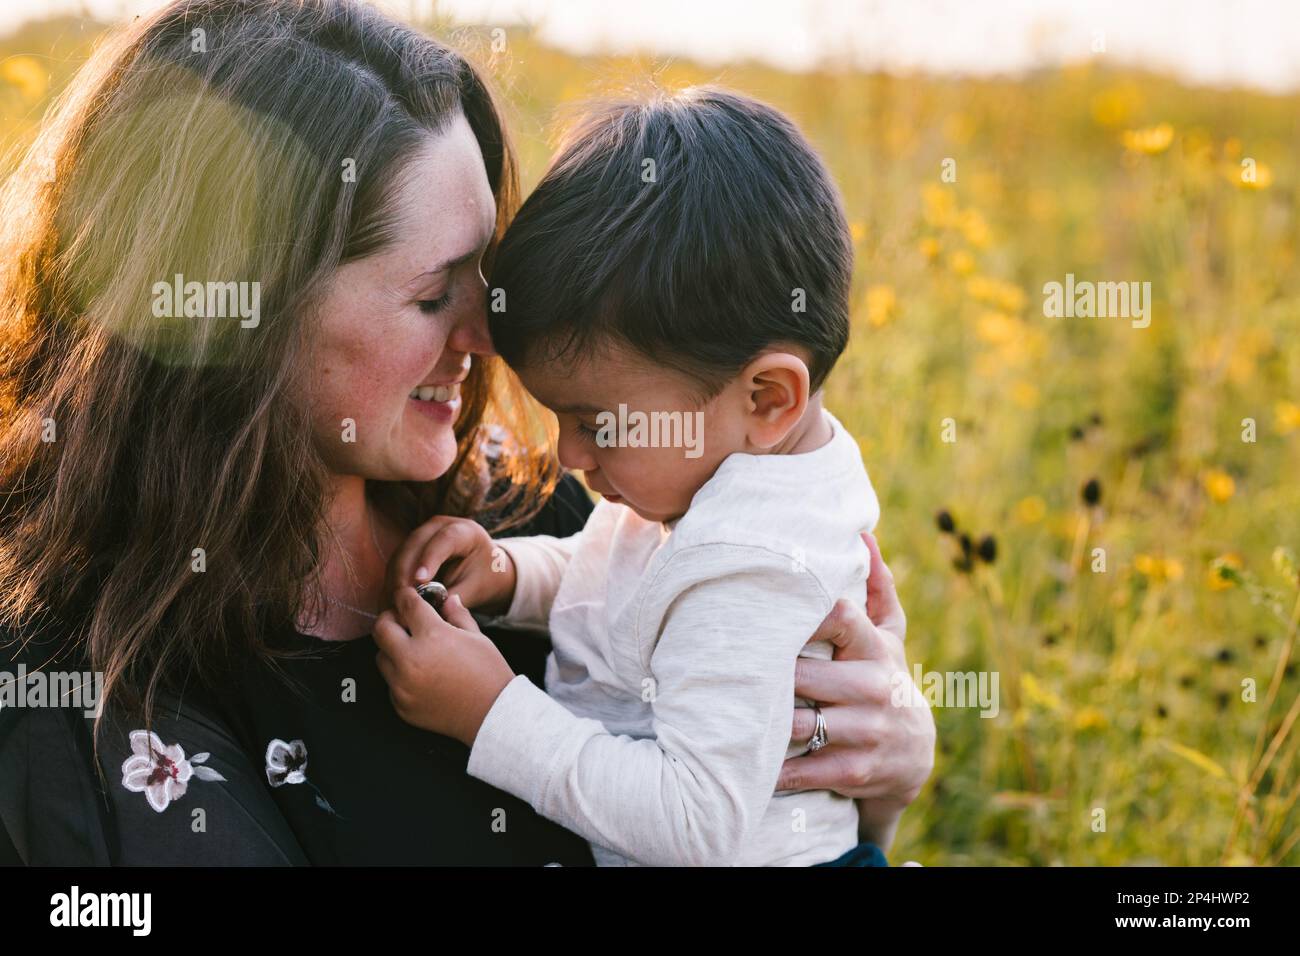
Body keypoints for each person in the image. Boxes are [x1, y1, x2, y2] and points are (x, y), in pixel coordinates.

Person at [0, 0, 934, 865]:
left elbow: (751, 805)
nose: (492, 338)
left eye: (486, 276)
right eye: (427, 294)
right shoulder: (93, 688)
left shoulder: (542, 499)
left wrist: (881, 768)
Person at [377, 88, 889, 866]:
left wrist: (491, 715)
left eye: (596, 423)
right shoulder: (729, 471)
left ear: (767, 397)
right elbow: (633, 586)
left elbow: (696, 826)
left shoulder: (749, 569)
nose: (571, 456)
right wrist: (515, 573)